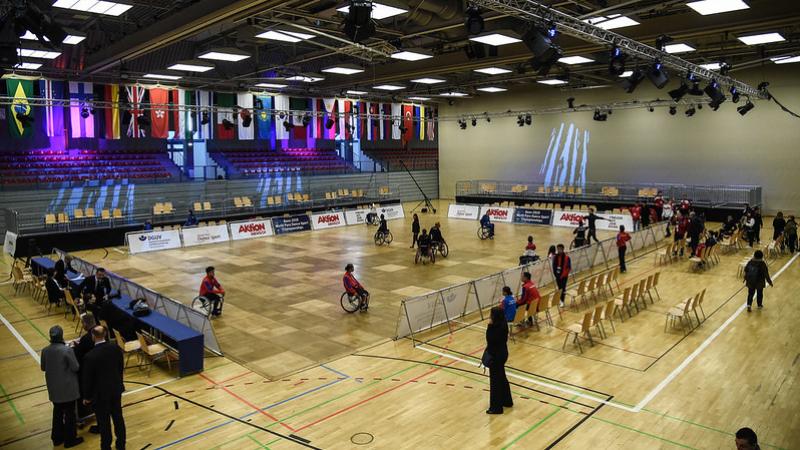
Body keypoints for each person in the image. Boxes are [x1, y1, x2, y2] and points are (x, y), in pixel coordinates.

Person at [82, 326, 125, 450]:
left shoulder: (90, 356)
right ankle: (121, 445)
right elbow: (120, 368)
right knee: (118, 418)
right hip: (115, 390)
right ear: (105, 334)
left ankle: (106, 447)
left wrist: (87, 396)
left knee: (104, 423)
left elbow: (87, 379)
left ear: (93, 336)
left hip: (99, 395)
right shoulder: (116, 348)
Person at [41, 325, 84, 448]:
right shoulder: (67, 350)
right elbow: (75, 367)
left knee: (57, 412)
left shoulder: (45, 350)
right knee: (70, 414)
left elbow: (43, 367)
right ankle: (70, 439)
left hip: (54, 388)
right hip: (68, 388)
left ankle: (57, 438)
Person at [70, 313, 97, 427]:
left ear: (85, 324)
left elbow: (79, 354)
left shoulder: (87, 338)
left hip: (87, 371)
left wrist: (76, 347)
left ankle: (84, 415)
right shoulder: (100, 333)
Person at [485, 306, 512, 414]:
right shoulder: (503, 324)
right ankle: (507, 400)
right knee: (502, 378)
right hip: (503, 353)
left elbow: (490, 340)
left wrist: (489, 326)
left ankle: (496, 407)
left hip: (495, 356)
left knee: (495, 381)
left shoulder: (494, 328)